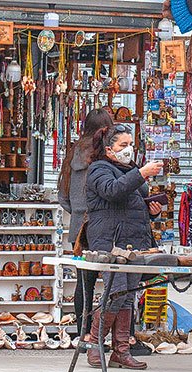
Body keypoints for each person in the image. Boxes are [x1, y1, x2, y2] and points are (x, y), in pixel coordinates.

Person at [85, 123, 164, 369]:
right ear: (109, 149)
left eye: (130, 144)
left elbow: (130, 201)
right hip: (110, 242)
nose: (129, 149)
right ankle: (95, 345)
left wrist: (152, 211)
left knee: (128, 296)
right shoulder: (99, 169)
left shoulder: (128, 169)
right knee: (115, 294)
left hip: (133, 241)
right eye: (123, 145)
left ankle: (121, 350)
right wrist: (141, 174)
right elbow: (112, 191)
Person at [57, 108, 114, 337]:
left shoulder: (73, 154)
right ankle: (111, 333)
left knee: (84, 282)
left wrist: (79, 212)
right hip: (104, 224)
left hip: (78, 227)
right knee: (112, 281)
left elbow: (63, 196)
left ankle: (83, 334)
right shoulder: (105, 154)